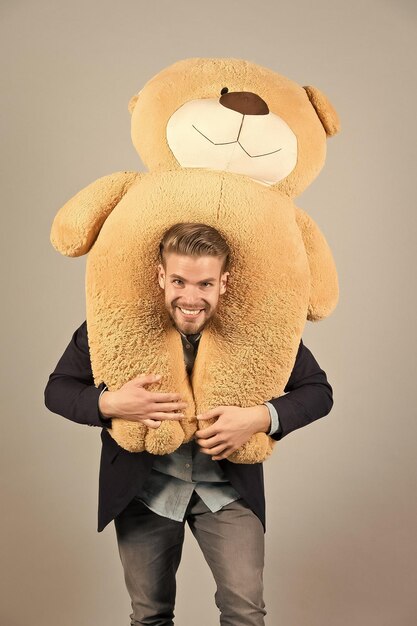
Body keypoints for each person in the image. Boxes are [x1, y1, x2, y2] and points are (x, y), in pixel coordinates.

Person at [44, 222, 334, 626]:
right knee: (149, 616)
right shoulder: (115, 327)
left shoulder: (258, 333)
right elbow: (56, 390)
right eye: (179, 281)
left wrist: (259, 418)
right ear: (161, 276)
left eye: (205, 284)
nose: (191, 298)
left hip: (227, 491)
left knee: (245, 613)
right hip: (146, 492)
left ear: (224, 283)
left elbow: (318, 392)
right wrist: (112, 403)